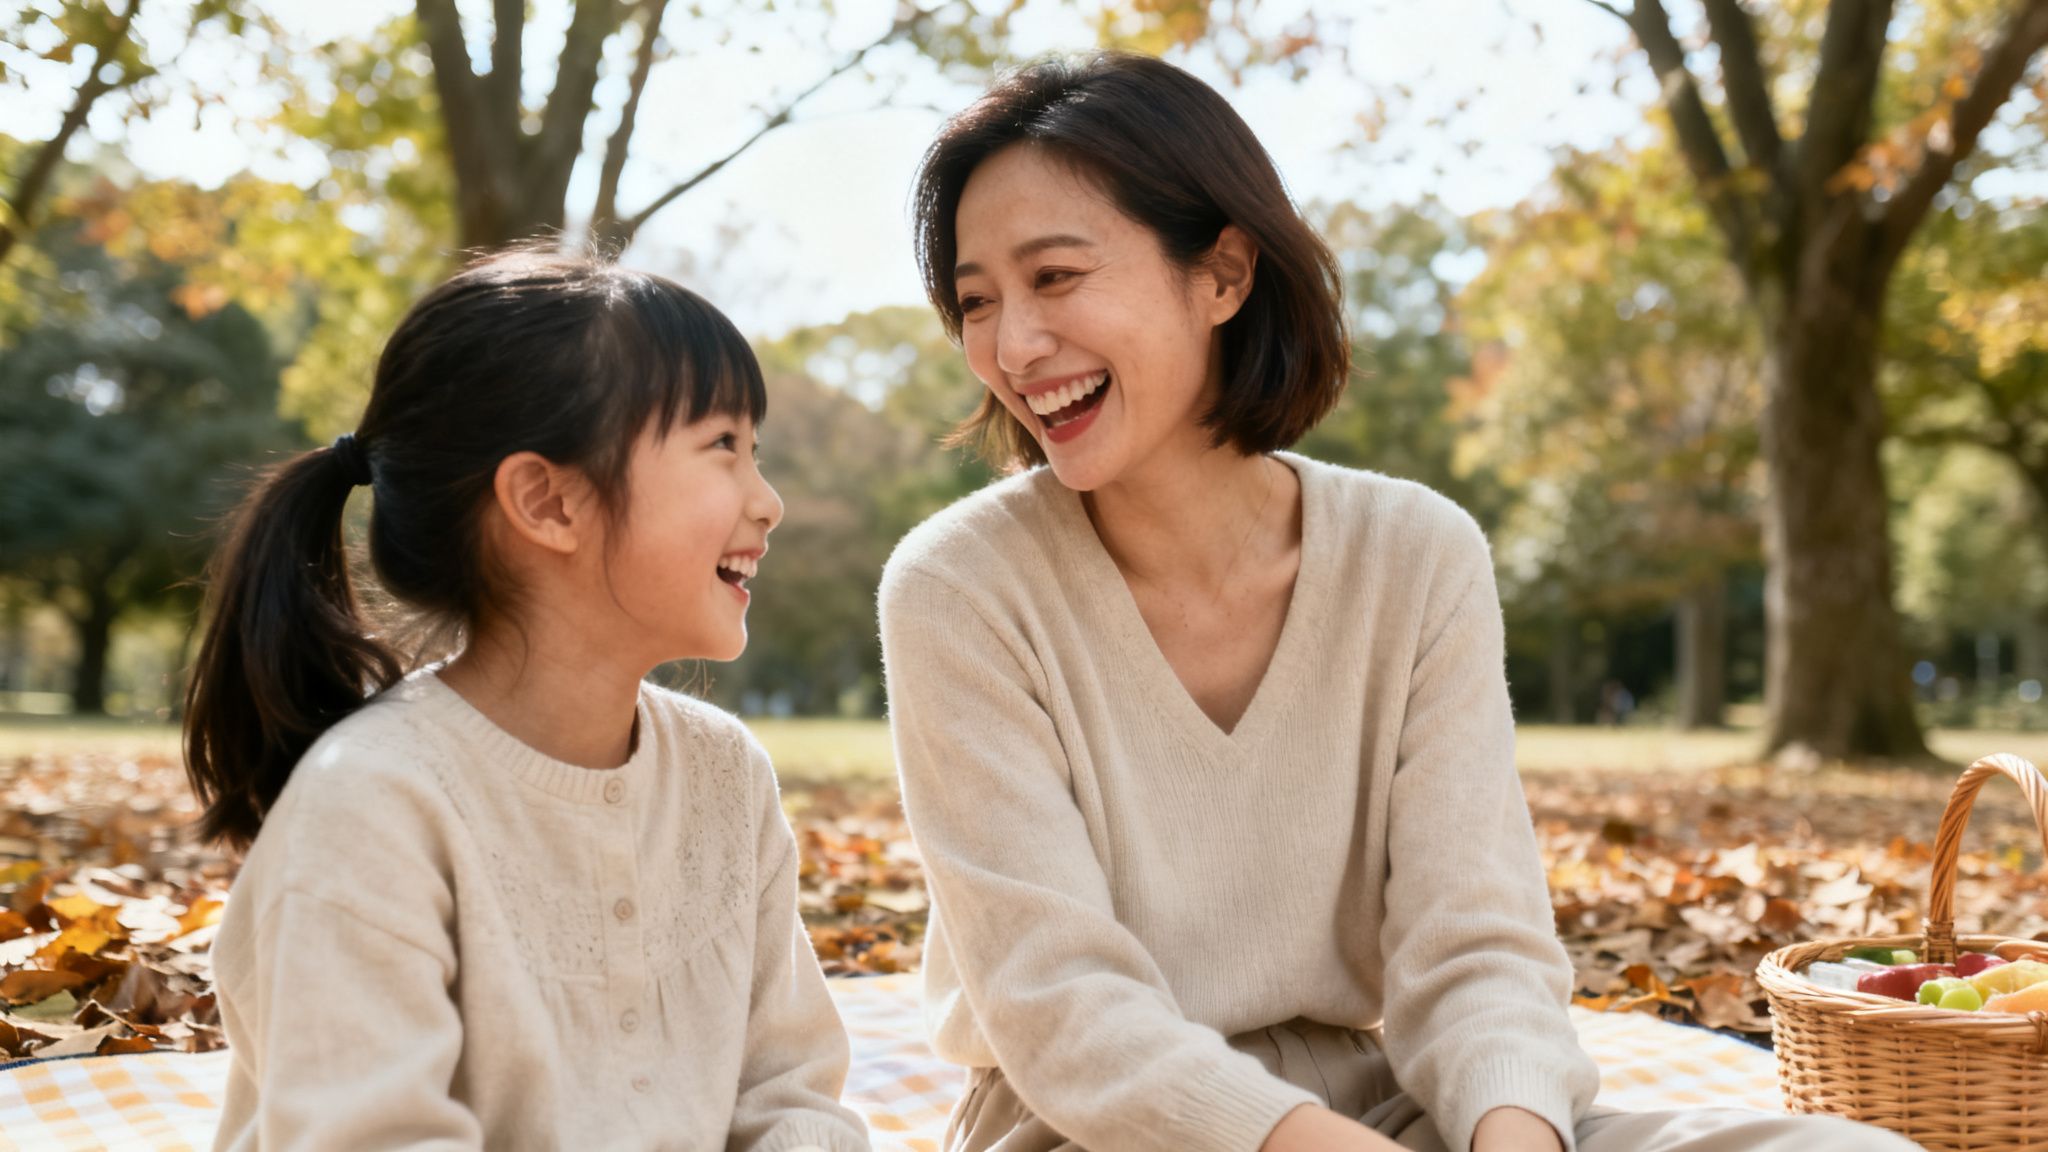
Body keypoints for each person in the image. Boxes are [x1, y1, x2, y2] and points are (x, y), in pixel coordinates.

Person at [877, 53, 1919, 1152]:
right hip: (1095, 1126)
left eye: (1054, 277)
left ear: (1222, 275)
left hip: (1379, 1109)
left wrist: (1512, 1139)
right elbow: (1061, 1012)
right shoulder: (958, 587)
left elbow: (1474, 948)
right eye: (976, 300)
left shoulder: (1416, 554)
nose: (1010, 346)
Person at [185, 249, 869, 1152]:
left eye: (757, 451)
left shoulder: (723, 774)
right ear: (548, 502)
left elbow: (791, 1092)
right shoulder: (373, 804)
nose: (768, 501)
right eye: (723, 447)